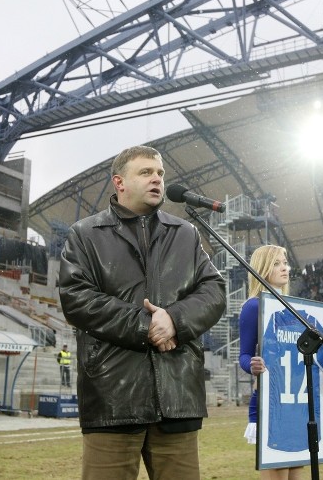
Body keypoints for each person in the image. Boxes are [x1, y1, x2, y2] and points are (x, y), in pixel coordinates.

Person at [59, 145, 226, 480]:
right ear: (119, 182)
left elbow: (214, 291)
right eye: (146, 172)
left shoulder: (186, 233)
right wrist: (146, 324)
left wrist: (175, 320)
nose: (157, 179)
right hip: (113, 397)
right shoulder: (85, 234)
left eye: (161, 173)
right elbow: (76, 297)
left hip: (177, 395)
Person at [238, 245, 303, 480]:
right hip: (271, 401)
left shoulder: (297, 308)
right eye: (276, 263)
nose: (284, 267)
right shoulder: (254, 306)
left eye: (285, 262)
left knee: (296, 473)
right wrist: (253, 365)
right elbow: (244, 355)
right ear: (262, 268)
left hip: (297, 403)